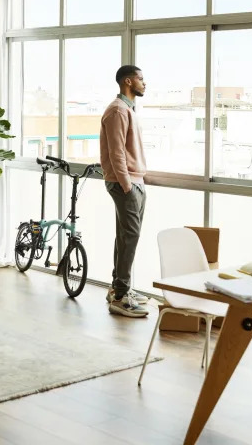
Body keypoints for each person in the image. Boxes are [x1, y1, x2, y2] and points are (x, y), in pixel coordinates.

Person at [100, 65, 150, 318]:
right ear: (128, 82)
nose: (145, 83)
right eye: (141, 79)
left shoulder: (127, 109)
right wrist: (126, 184)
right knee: (130, 237)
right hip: (126, 182)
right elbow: (116, 152)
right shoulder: (118, 110)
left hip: (133, 180)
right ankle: (121, 296)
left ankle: (117, 288)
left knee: (125, 236)